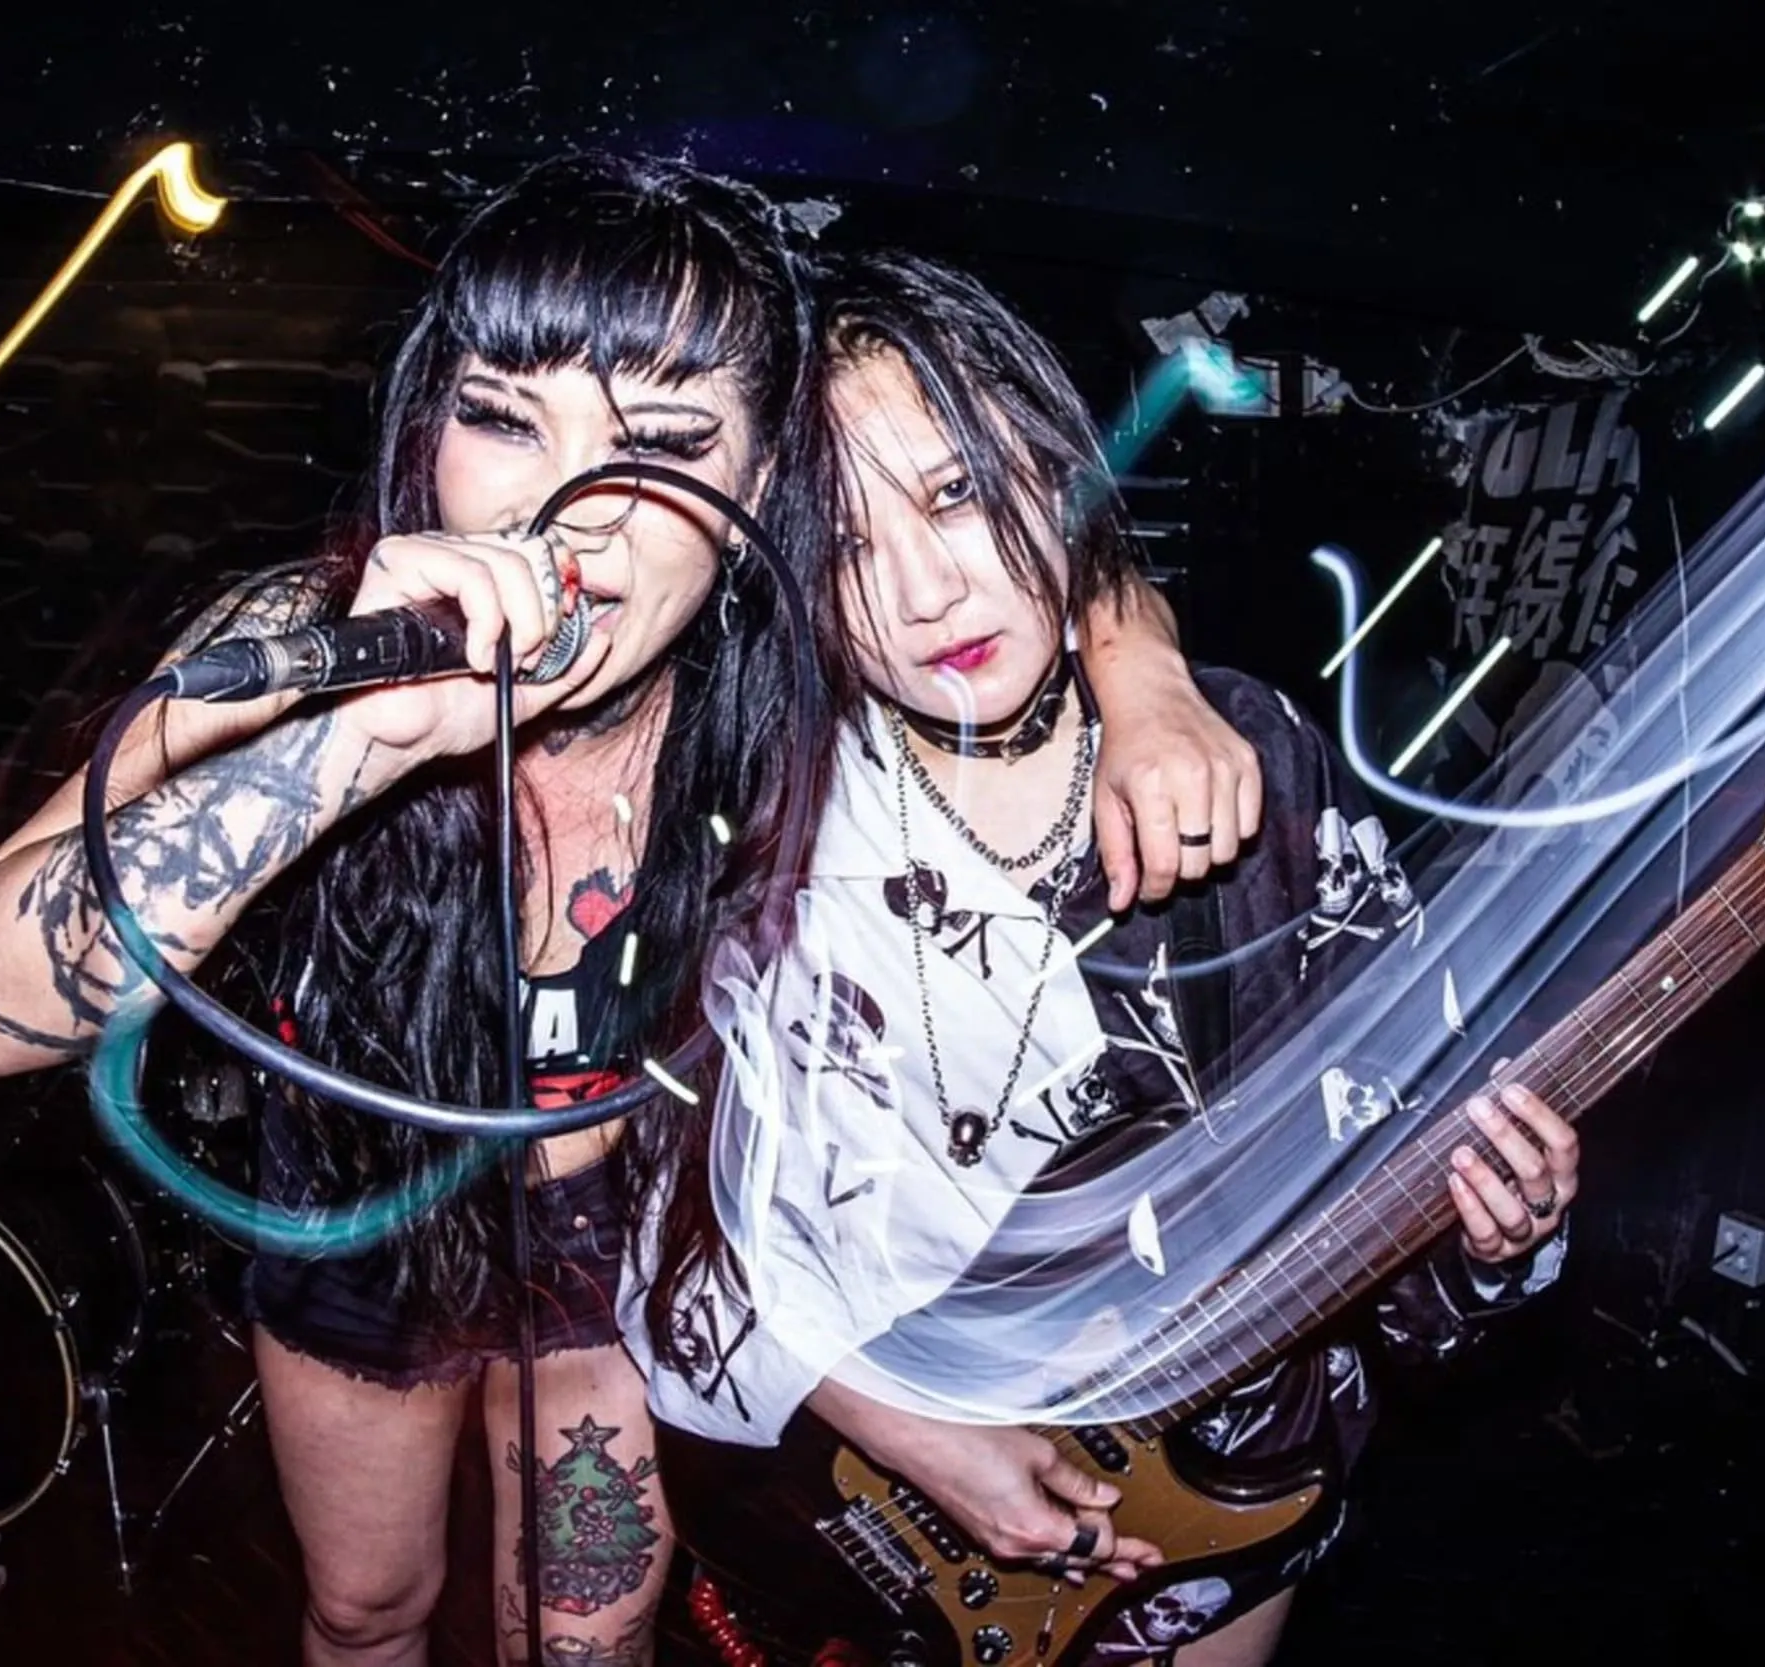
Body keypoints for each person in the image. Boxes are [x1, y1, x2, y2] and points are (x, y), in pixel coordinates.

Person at [0, 159, 1260, 1667]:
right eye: (505, 418)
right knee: (365, 1607)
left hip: (622, 1252)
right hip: (363, 1208)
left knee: (583, 1639)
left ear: (758, 493)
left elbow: (1038, 555)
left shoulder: (792, 688)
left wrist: (1145, 676)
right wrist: (367, 736)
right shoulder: (307, 634)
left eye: (667, 443)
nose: (564, 513)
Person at [629, 251, 1580, 1665]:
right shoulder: (764, 830)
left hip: (1229, 1498)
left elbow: (1398, 1147)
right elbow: (673, 1206)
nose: (926, 590)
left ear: (1051, 466)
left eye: (958, 492)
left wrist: (1504, 1231)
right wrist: (904, 1422)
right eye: (844, 546)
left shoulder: (1246, 758)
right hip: (878, 1526)